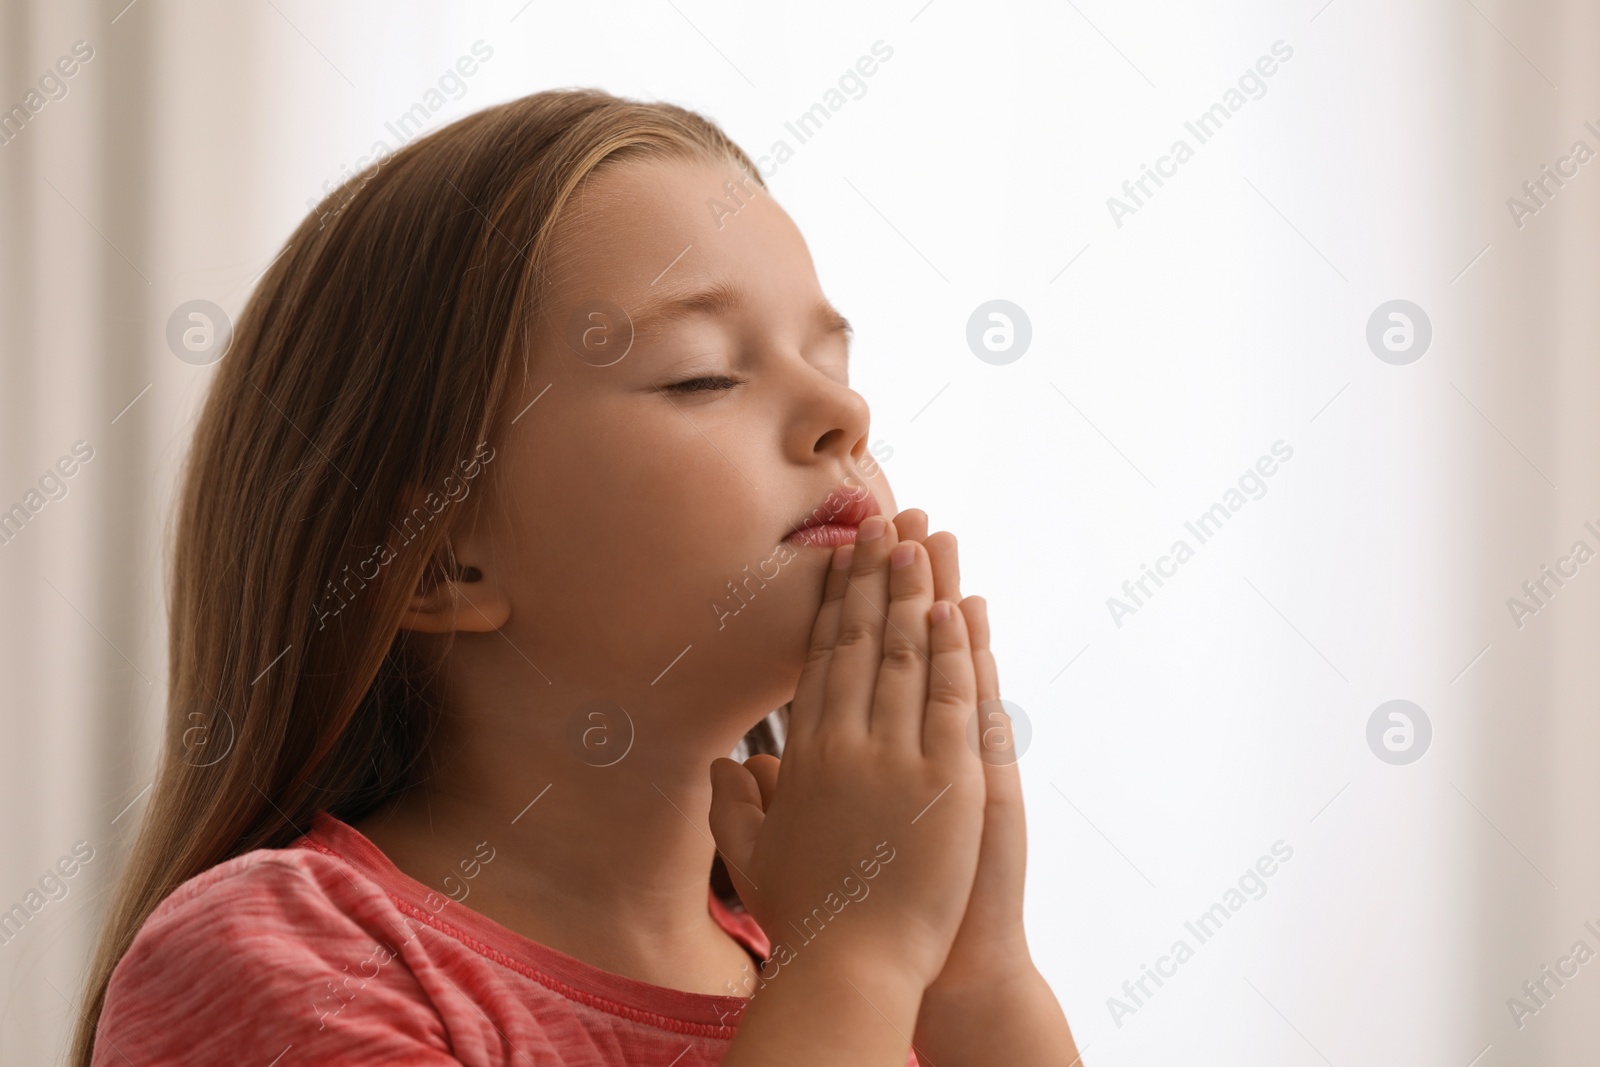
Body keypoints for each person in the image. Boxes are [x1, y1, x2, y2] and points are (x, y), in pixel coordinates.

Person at [73, 88, 1077, 1066]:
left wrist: (978, 979)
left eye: (835, 367)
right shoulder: (286, 960)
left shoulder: (865, 977)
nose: (842, 415)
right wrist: (852, 961)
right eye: (703, 373)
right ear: (439, 558)